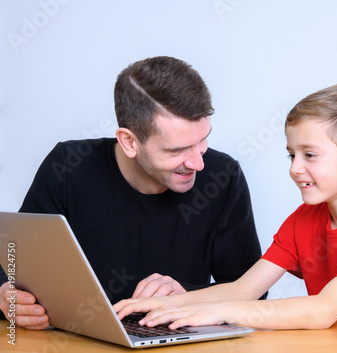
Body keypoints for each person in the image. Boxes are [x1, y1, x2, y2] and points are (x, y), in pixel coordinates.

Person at [113, 83, 337, 330]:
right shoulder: (305, 219)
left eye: (310, 155)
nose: (295, 168)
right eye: (292, 154)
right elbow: (243, 289)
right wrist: (164, 305)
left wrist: (221, 312)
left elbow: (322, 310)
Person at [0, 56, 263, 330]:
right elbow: (12, 260)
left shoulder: (223, 176)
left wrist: (188, 295)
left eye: (203, 139)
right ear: (129, 142)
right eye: (176, 150)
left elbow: (252, 291)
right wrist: (4, 293)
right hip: (75, 342)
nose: (198, 163)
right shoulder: (68, 166)